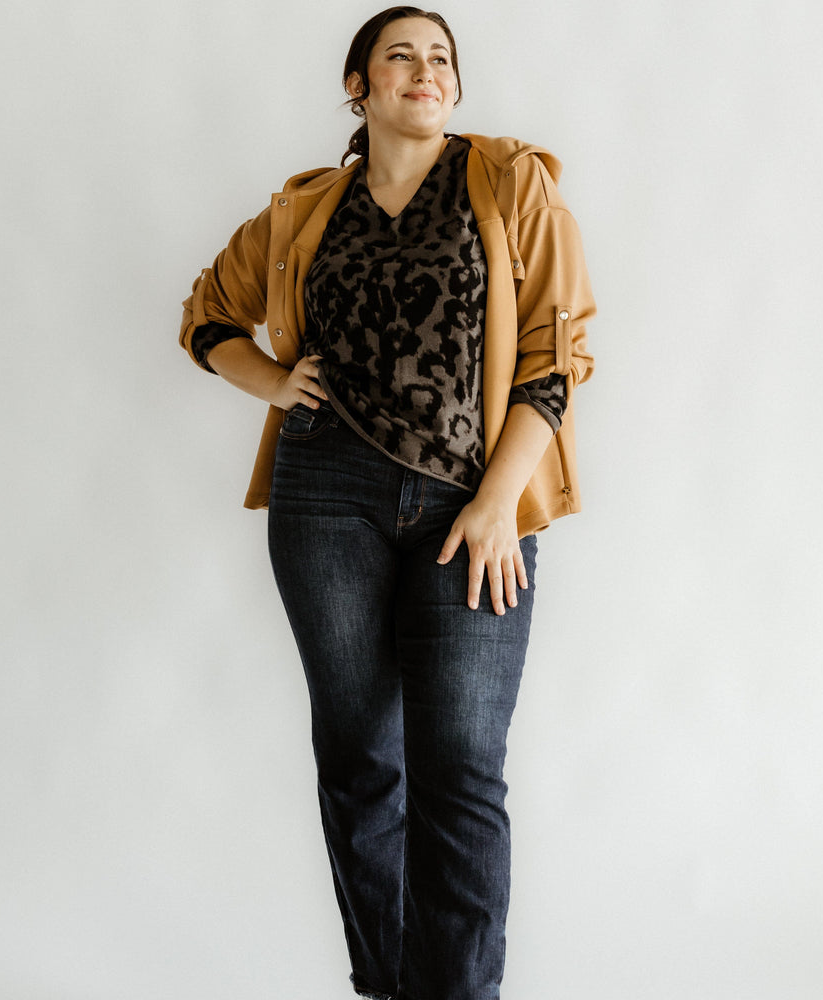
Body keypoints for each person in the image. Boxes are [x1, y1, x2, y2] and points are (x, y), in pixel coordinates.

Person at [178, 7, 595, 998]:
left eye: (441, 57)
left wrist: (499, 504)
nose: (427, 70)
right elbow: (207, 314)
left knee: (460, 766)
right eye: (399, 56)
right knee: (359, 756)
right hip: (326, 497)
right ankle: (393, 981)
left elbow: (557, 354)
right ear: (357, 87)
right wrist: (272, 380)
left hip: (473, 506)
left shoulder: (509, 182)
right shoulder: (302, 211)